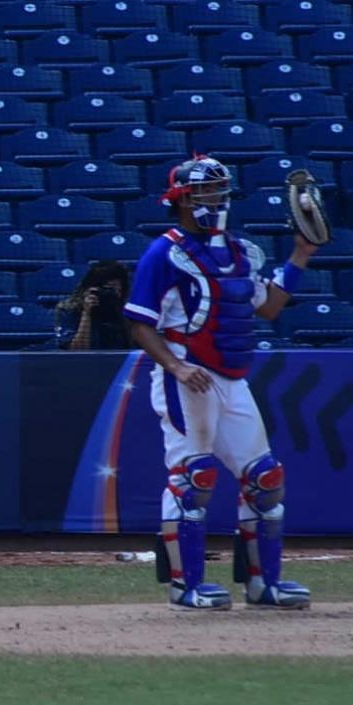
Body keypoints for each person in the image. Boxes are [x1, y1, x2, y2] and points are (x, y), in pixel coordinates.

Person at [124, 154, 317, 611]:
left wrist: (300, 255)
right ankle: (185, 585)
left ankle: (263, 584)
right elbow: (139, 324)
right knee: (194, 477)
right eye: (207, 191)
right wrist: (174, 366)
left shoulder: (238, 250)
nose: (217, 198)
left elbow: (267, 307)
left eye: (220, 189)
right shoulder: (164, 253)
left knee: (265, 476)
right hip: (187, 374)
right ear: (184, 199)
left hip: (232, 378)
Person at [55, 260, 132, 350]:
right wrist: (86, 313)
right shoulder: (69, 309)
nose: (111, 293)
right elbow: (77, 351)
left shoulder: (126, 310)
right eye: (108, 288)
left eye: (116, 289)